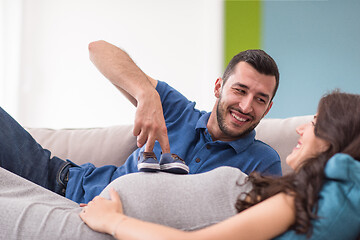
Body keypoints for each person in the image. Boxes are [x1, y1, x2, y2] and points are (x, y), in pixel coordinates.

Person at [0, 40, 281, 204]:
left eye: (259, 99)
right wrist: (146, 93)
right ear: (219, 87)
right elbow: (98, 49)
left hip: (91, 219)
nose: (246, 106)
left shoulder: (263, 162)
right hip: (61, 181)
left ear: (267, 108)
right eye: (240, 90)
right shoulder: (178, 111)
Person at [78, 90, 360, 239]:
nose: (300, 130)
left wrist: (112, 220)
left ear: (332, 138)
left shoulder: (299, 200)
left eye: (313, 123)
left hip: (105, 221)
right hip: (98, 200)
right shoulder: (312, 196)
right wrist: (147, 94)